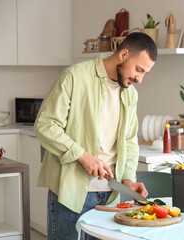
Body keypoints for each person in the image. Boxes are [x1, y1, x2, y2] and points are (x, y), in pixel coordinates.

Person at [34, 32, 157, 240]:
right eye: (139, 69)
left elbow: (129, 140)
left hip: (111, 197)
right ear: (123, 54)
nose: (140, 79)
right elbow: (45, 125)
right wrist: (83, 156)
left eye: (145, 73)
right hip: (70, 192)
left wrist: (128, 179)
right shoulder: (74, 77)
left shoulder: (130, 94)